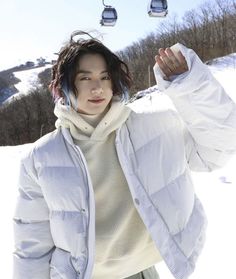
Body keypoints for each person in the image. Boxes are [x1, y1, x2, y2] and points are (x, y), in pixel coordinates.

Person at [13, 30, 236, 279]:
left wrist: (191, 86)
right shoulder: (41, 157)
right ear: (64, 86)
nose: (97, 87)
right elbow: (31, 244)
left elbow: (218, 150)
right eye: (85, 78)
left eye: (104, 76)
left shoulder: (156, 128)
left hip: (142, 273)